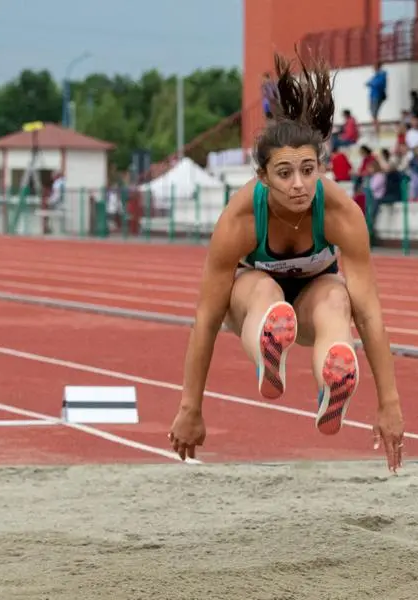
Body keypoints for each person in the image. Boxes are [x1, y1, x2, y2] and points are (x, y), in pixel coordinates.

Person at [168, 51, 405, 472]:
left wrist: (389, 404)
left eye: (307, 170)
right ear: (262, 177)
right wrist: (191, 407)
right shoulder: (240, 218)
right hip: (252, 302)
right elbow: (207, 317)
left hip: (315, 299)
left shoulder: (341, 214)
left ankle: (334, 378)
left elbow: (368, 314)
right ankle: (268, 350)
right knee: (265, 289)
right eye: (284, 174)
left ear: (320, 167)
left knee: (337, 300)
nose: (298, 185)